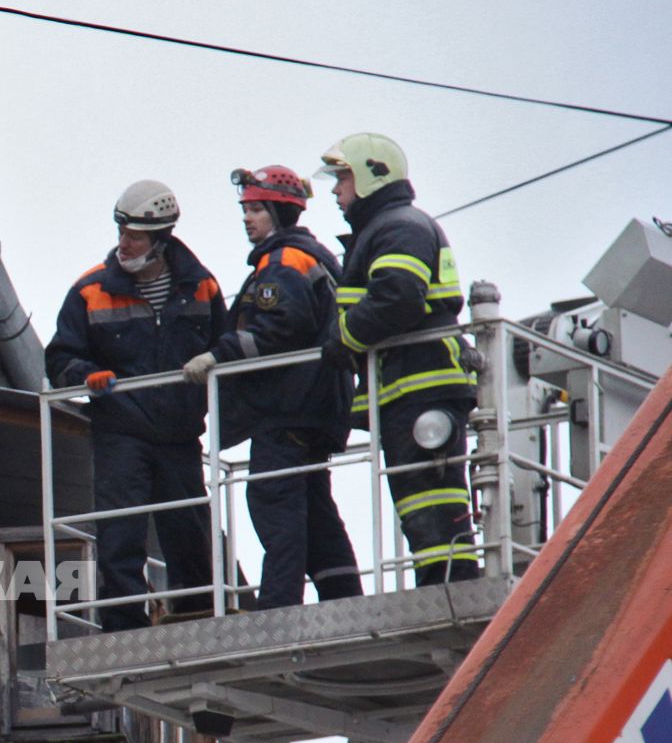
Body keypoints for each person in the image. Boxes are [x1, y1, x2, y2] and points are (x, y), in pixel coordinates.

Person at [180, 166, 363, 609]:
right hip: (316, 408)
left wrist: (218, 356)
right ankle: (344, 595)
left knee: (273, 501)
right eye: (245, 209)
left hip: (289, 410)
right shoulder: (313, 256)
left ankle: (278, 606)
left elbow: (280, 325)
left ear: (281, 214)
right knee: (316, 510)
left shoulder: (282, 262)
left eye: (257, 209)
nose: (248, 218)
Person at [47, 180, 226, 631]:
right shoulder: (90, 289)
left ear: (161, 239)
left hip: (180, 433)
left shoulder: (202, 287)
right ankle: (124, 623)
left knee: (187, 529)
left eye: (136, 236)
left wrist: (216, 362)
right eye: (121, 231)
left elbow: (224, 344)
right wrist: (85, 376)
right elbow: (60, 357)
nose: (124, 242)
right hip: (121, 430)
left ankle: (197, 616)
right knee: (121, 530)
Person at [315, 133, 480, 585]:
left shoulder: (398, 227)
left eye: (342, 179)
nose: (335, 190)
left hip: (421, 380)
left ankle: (450, 579)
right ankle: (440, 575)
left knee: (431, 491)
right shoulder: (387, 227)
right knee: (417, 494)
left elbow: (398, 297)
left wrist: (344, 337)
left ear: (371, 176)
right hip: (410, 383)